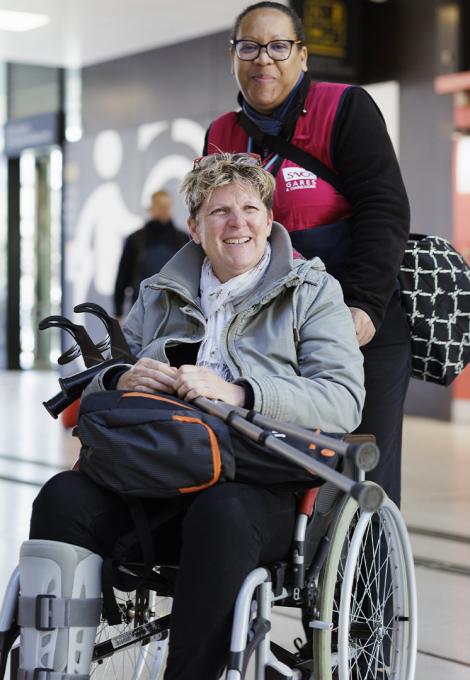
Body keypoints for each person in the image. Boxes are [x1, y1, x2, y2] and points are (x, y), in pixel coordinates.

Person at [18, 154, 365, 680]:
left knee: (220, 514)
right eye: (219, 211)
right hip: (153, 475)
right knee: (62, 498)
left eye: (250, 209)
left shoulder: (312, 291)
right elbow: (103, 375)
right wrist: (119, 379)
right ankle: (51, 672)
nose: (237, 222)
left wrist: (242, 392)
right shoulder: (161, 291)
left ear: (270, 221)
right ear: (195, 227)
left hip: (260, 481)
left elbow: (342, 397)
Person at [204, 1, 411, 508]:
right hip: (267, 333)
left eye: (278, 46)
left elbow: (383, 209)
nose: (263, 60)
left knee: (359, 482)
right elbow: (212, 233)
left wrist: (364, 307)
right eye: (248, 47)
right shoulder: (222, 135)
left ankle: (368, 586)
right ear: (233, 57)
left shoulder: (344, 108)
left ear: (302, 56)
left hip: (359, 323)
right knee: (271, 469)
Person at [113, 189, 187, 318]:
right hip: (141, 309)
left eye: (166, 206)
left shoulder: (182, 239)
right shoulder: (136, 239)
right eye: (160, 206)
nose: (164, 210)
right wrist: (118, 311)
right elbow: (123, 276)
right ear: (151, 209)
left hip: (176, 310)